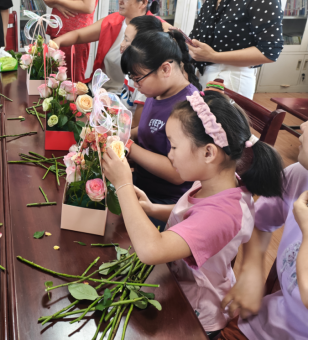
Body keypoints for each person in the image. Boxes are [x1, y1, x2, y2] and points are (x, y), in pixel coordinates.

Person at [102, 89, 284, 336]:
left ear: (208, 153)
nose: (169, 154)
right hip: (176, 283)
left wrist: (123, 183)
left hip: (194, 312)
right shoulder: (216, 181)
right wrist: (153, 209)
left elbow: (151, 250)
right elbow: (193, 216)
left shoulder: (223, 214)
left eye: (174, 146)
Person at [218, 121, 308, 340]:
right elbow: (260, 222)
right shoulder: (301, 174)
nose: (303, 125)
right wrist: (252, 269)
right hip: (268, 324)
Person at [120, 30, 202, 225]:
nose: (135, 84)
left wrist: (128, 146)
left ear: (165, 69)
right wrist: (121, 135)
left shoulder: (188, 107)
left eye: (138, 78)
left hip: (165, 203)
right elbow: (147, 131)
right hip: (142, 184)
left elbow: (177, 174)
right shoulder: (156, 93)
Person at [51, 0, 163, 91]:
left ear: (143, 2)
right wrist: (56, 42)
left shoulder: (156, 31)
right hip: (98, 89)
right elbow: (78, 35)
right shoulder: (112, 21)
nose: (120, 1)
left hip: (126, 96)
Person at [119, 15, 164, 126]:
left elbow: (136, 124)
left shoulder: (144, 83)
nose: (122, 44)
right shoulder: (133, 69)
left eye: (126, 40)